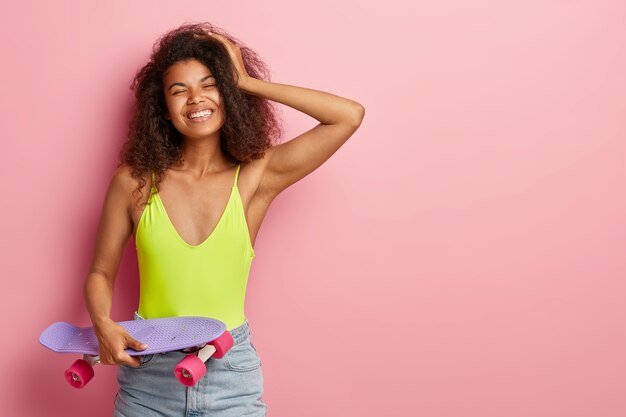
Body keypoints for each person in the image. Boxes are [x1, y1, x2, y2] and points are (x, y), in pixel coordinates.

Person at [83, 22, 364, 417]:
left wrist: (247, 82)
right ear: (162, 107)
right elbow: (100, 271)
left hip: (229, 372)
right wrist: (102, 323)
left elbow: (348, 116)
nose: (195, 98)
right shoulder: (134, 182)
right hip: (148, 372)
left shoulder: (254, 176)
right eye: (178, 90)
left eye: (210, 84)